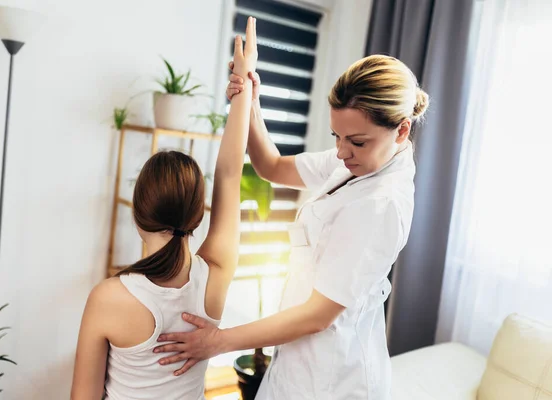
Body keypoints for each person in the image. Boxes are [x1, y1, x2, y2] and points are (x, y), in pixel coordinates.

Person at [153, 54, 429, 399]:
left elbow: (317, 316)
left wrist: (218, 341)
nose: (342, 152)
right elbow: (272, 167)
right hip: (297, 363)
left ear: (401, 129)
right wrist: (252, 101)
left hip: (333, 378)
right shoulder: (357, 162)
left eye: (356, 141)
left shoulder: (381, 204)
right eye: (336, 136)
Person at [70, 16, 257, 400]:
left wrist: (242, 92)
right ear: (197, 215)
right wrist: (244, 92)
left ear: (138, 216)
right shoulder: (215, 277)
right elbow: (228, 175)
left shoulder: (109, 297)